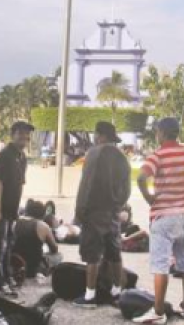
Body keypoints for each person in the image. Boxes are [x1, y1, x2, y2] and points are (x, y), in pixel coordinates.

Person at [134, 117, 184, 324]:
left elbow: (141, 178)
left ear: (161, 133)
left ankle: (158, 312)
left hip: (163, 217)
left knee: (160, 265)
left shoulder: (157, 156)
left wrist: (148, 198)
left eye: (157, 132)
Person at [73, 121, 132, 308]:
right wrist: (117, 205)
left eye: (95, 134)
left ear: (101, 135)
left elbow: (86, 184)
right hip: (112, 212)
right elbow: (127, 189)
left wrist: (79, 209)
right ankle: (117, 292)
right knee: (114, 253)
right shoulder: (122, 157)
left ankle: (90, 296)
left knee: (92, 254)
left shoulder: (94, 153)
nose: (95, 138)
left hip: (94, 211)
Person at [0, 121, 33, 298]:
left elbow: (20, 184)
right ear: (12, 135)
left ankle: (6, 279)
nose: (24, 138)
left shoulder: (22, 157)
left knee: (8, 247)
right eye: (21, 134)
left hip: (11, 210)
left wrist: (16, 210)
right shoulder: (4, 155)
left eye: (27, 135)